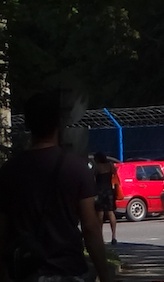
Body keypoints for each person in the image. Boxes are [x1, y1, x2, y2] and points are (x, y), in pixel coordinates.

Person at [0, 89, 115, 282]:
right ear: (59, 123)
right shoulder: (77, 169)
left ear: (27, 124)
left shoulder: (9, 172)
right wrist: (105, 275)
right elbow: (90, 228)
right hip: (69, 270)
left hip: (25, 272)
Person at [92, 152, 119, 245]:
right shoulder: (110, 166)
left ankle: (100, 237)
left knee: (100, 214)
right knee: (111, 212)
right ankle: (114, 236)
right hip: (109, 191)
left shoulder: (97, 167)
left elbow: (92, 177)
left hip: (99, 191)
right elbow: (115, 177)